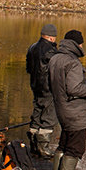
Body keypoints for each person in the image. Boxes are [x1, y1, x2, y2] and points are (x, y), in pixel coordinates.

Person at [47, 29, 86, 170]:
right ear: (77, 44)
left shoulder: (55, 58)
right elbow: (74, 88)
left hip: (61, 108)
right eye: (81, 43)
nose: (82, 46)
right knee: (76, 147)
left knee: (64, 143)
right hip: (74, 111)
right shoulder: (73, 62)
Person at [25, 23, 59, 157]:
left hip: (35, 86)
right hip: (48, 88)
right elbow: (55, 71)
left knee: (37, 112)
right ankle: (43, 148)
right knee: (49, 116)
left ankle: (34, 145)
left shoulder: (32, 47)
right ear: (51, 38)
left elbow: (28, 68)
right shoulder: (50, 51)